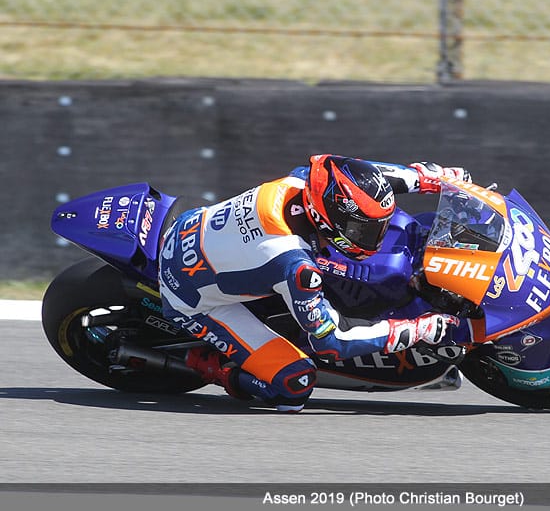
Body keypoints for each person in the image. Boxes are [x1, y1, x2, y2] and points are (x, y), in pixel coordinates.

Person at [158, 155, 471, 412]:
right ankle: (212, 368)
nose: (375, 236)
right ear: (326, 221)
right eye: (363, 229)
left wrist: (431, 178)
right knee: (295, 385)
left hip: (196, 227)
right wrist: (418, 330)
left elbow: (366, 176)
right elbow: (332, 342)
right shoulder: (295, 265)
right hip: (190, 296)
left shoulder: (306, 180)